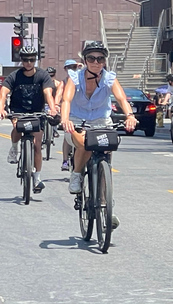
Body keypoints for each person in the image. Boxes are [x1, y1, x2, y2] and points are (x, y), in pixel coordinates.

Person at [60, 41, 136, 231]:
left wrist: (130, 116)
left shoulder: (109, 78)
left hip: (102, 122)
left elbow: (121, 98)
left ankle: (106, 206)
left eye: (100, 58)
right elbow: (66, 100)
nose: (96, 62)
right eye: (92, 58)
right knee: (83, 144)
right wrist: (65, 119)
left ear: (104, 61)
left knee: (106, 158)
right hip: (77, 121)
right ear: (85, 60)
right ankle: (77, 174)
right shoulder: (75, 77)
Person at [0, 45, 57, 194]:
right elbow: (3, 93)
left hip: (37, 112)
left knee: (37, 145)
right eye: (25, 60)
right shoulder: (14, 76)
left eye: (31, 59)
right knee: (17, 127)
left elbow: (48, 94)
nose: (28, 62)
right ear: (21, 61)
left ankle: (37, 177)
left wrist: (53, 109)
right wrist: (1, 108)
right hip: (19, 110)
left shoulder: (43, 75)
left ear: (35, 60)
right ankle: (14, 147)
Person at [59, 60, 80, 171]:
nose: (71, 69)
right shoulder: (65, 82)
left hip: (82, 112)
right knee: (68, 136)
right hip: (68, 112)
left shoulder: (82, 77)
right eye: (69, 67)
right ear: (65, 69)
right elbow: (59, 95)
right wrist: (56, 106)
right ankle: (65, 160)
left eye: (74, 67)